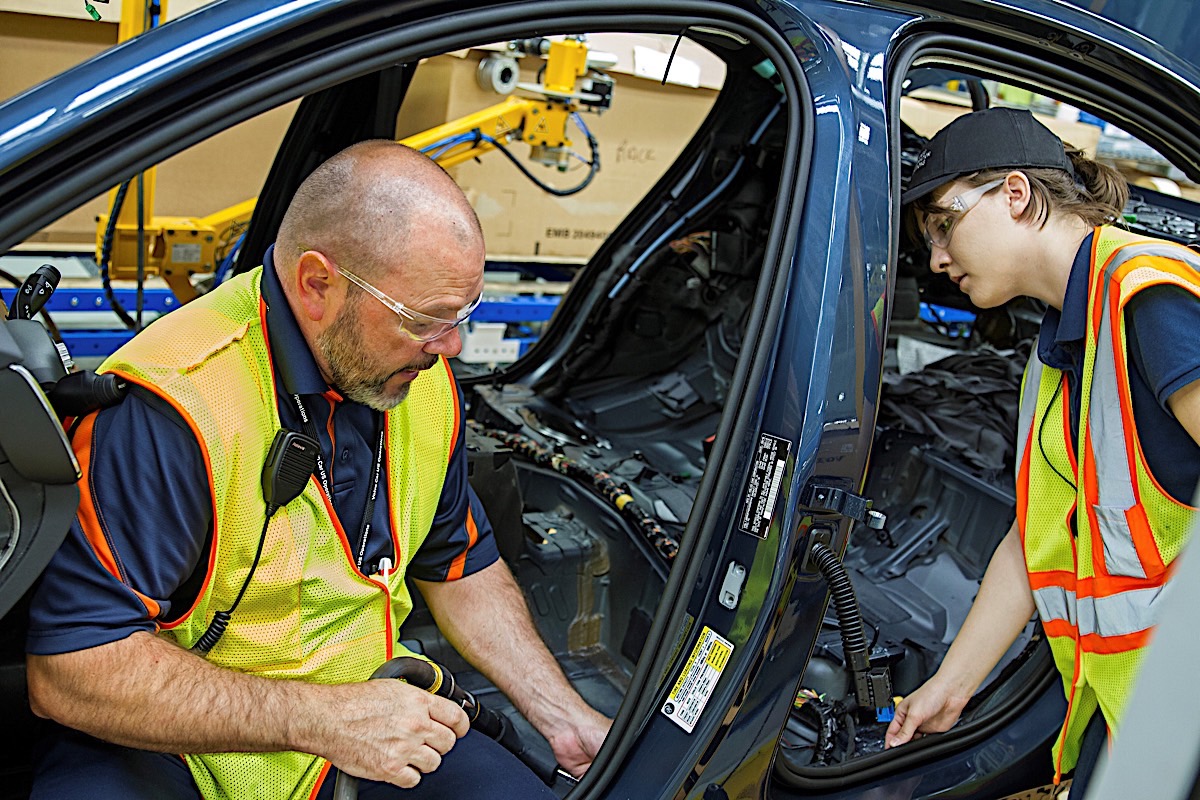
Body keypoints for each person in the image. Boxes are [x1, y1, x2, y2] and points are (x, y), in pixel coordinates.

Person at [24, 140, 610, 799]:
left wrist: (563, 719)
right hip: (169, 739)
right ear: (317, 284)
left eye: (462, 315)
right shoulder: (172, 408)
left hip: (371, 717)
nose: (452, 346)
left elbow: (460, 567)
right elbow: (73, 670)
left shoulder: (422, 383)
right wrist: (326, 719)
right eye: (427, 319)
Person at [884, 108, 1200, 794]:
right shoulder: (1057, 351)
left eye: (943, 223)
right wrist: (954, 684)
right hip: (1131, 714)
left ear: (1016, 195)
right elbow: (1037, 536)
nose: (936, 259)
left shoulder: (1151, 298)